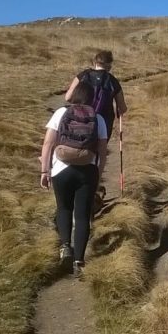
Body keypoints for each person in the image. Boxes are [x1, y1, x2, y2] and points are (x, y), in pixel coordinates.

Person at [40, 81, 108, 277]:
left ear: (74, 95)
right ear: (92, 99)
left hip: (61, 170)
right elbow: (102, 153)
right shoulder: (99, 118)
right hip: (87, 171)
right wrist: (98, 176)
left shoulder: (61, 113)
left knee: (63, 208)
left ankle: (65, 247)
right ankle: (79, 261)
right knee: (82, 215)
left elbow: (47, 144)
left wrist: (45, 171)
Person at [65, 49, 127, 142]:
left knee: (78, 143)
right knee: (100, 150)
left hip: (80, 118)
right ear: (109, 65)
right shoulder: (113, 81)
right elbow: (122, 108)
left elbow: (68, 97)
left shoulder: (83, 75)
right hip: (104, 122)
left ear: (95, 62)